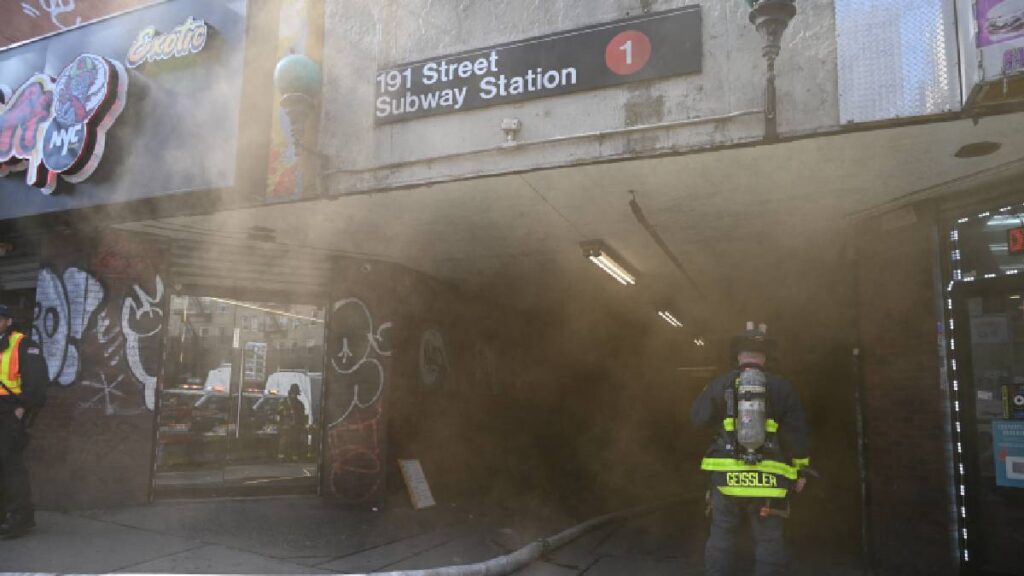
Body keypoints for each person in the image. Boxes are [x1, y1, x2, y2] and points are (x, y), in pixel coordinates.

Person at [691, 322, 810, 576]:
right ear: (765, 357)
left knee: (722, 537)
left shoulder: (721, 383)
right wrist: (800, 472)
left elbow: (698, 417)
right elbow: (797, 436)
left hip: (726, 481)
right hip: (770, 483)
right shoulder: (783, 388)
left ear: (738, 356)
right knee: (769, 543)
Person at [0, 304, 48, 539]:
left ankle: (20, 518)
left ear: (7, 321)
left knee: (10, 466)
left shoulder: (24, 344)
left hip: (9, 413)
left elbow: (37, 383)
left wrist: (22, 408)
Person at [277, 383, 307, 462]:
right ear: (290, 393)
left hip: (296, 426)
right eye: (293, 393)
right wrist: (287, 412)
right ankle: (281, 456)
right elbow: (279, 411)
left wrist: (302, 425)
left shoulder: (300, 404)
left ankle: (294, 457)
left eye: (295, 394)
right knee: (284, 441)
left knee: (295, 441)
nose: (294, 395)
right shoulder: (284, 402)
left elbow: (302, 415)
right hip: (285, 425)